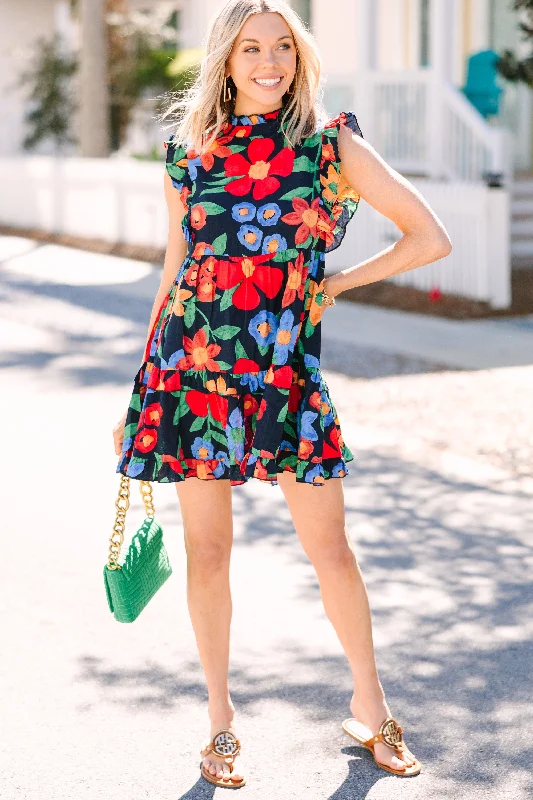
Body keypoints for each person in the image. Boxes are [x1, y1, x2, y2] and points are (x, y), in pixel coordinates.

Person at [113, 0, 451, 788]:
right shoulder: (187, 153)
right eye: (251, 49)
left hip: (283, 380)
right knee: (208, 553)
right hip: (190, 377)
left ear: (299, 59)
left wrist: (331, 285)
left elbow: (428, 237)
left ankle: (371, 708)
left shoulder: (330, 146)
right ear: (224, 62)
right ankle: (220, 726)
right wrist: (143, 384)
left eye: (282, 49)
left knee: (330, 552)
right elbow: (175, 272)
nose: (269, 63)